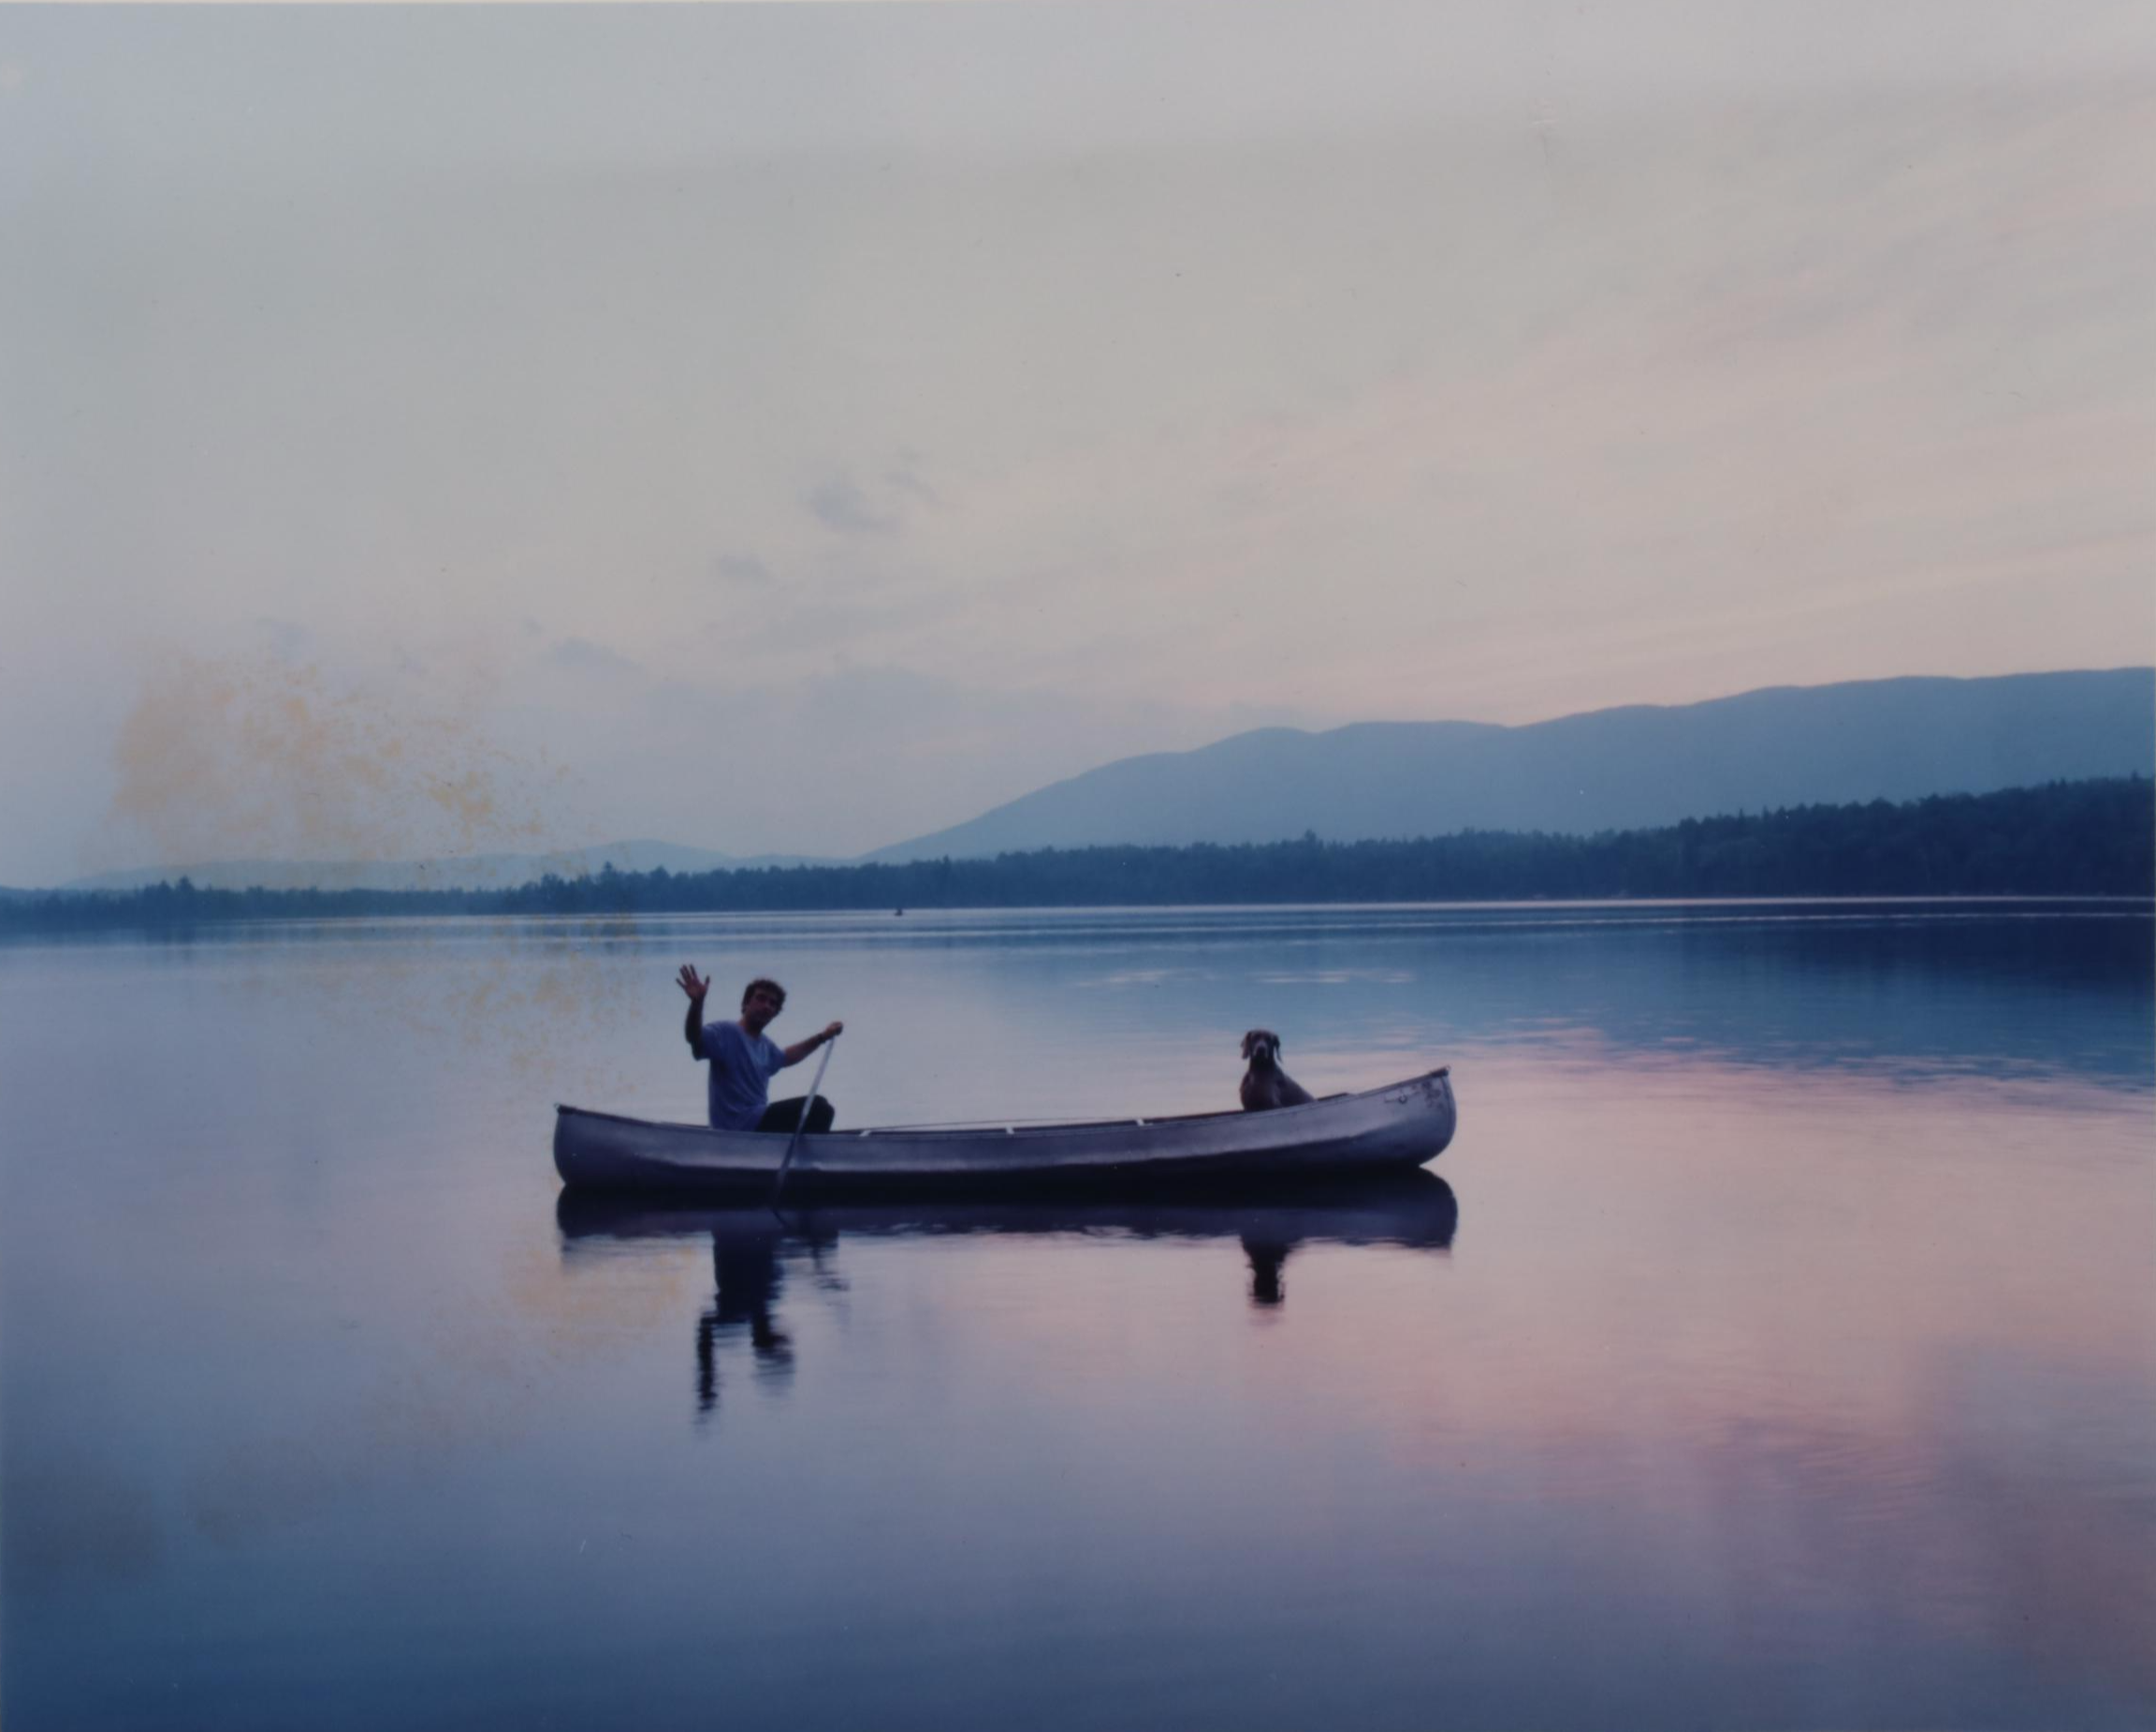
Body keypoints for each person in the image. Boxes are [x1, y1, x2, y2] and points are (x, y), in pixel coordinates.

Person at [677, 967, 843, 1133]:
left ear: (775, 1013)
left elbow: (787, 1057)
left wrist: (822, 1037)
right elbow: (694, 1038)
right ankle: (811, 1155)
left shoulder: (765, 1045)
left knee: (824, 1107)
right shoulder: (725, 1032)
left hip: (757, 1123)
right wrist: (697, 1004)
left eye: (772, 1004)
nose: (766, 1006)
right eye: (761, 999)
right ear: (745, 1003)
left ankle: (802, 1152)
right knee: (820, 1107)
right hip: (736, 1126)